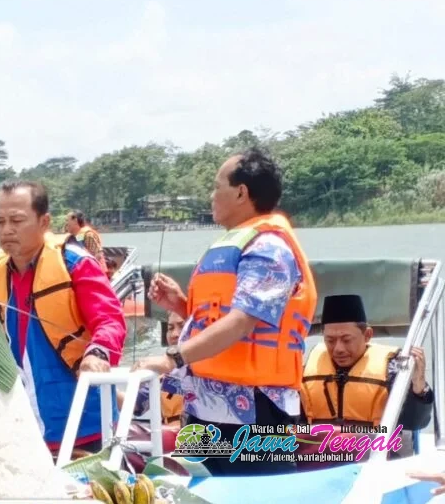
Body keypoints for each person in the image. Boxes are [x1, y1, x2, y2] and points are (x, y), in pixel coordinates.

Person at [133, 148, 317, 476]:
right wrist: (181, 306)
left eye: (217, 186)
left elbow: (243, 321)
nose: (211, 195)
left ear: (241, 192)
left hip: (256, 409)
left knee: (258, 496)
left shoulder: (269, 248)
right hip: (205, 405)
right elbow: (223, 320)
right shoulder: (236, 242)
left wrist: (171, 358)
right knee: (202, 493)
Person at [0, 180, 127, 457]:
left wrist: (97, 353)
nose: (7, 230)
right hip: (20, 423)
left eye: (16, 220)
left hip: (82, 421)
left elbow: (110, 319)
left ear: (44, 221)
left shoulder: (75, 263)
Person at [301, 294, 432, 430]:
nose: (338, 349)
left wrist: (419, 387)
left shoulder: (392, 368)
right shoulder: (308, 369)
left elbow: (415, 423)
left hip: (374, 448)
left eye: (346, 340)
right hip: (319, 448)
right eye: (330, 341)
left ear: (367, 335)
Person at [118, 311, 185, 427]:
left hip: (205, 436)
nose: (175, 334)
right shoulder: (163, 375)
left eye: (182, 327)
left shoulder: (211, 369)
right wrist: (104, 386)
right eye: (170, 328)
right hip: (171, 437)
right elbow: (135, 404)